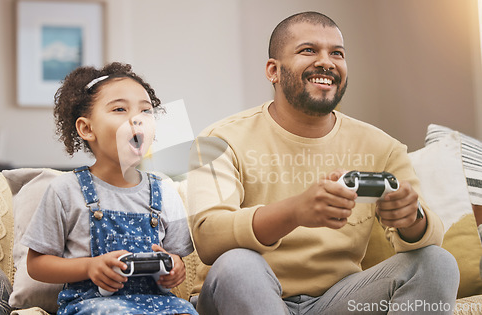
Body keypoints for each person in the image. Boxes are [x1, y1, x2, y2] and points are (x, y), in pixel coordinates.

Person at [187, 11, 460, 314]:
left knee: (437, 263)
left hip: (338, 301)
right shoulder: (218, 140)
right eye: (308, 50)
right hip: (244, 295)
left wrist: (412, 218)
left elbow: (429, 237)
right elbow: (209, 236)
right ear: (273, 70)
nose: (327, 62)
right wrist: (296, 211)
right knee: (237, 264)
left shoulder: (382, 147)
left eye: (337, 54)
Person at [21, 62, 198, 315]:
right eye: (119, 109)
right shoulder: (64, 191)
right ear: (86, 128)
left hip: (159, 303)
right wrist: (89, 267)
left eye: (146, 111)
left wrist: (174, 268)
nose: (136, 118)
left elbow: (177, 257)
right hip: (92, 304)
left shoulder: (164, 191)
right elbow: (36, 264)